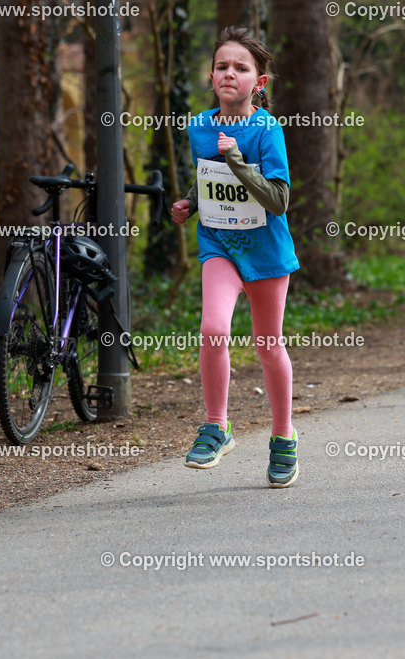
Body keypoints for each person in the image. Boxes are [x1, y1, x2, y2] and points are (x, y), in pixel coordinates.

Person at [170, 26, 299, 488]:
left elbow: (279, 199)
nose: (230, 73)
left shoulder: (268, 130)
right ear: (211, 76)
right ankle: (217, 425)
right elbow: (207, 179)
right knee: (212, 328)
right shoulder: (200, 127)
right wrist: (190, 202)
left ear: (258, 83)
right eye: (223, 66)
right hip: (219, 244)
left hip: (265, 251)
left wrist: (240, 162)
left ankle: (283, 435)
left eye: (241, 68)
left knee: (268, 346)